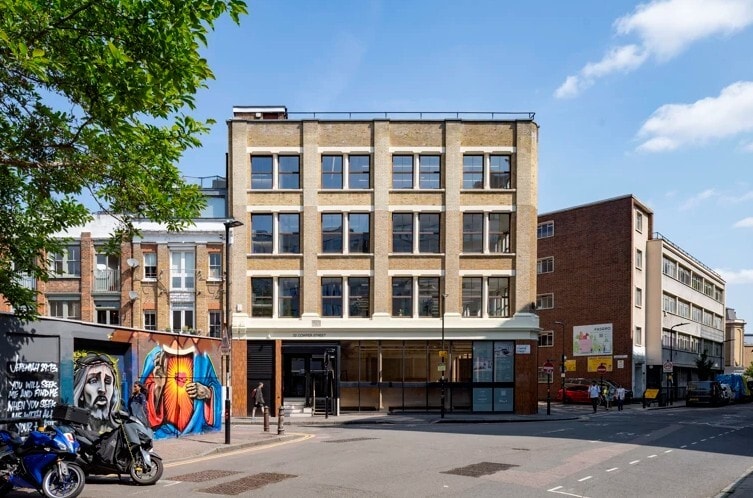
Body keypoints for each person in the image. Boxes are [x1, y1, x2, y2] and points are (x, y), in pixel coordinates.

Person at [73, 352, 120, 433]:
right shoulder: (73, 430)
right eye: (93, 381)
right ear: (80, 391)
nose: (102, 389)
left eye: (107, 382)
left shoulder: (119, 431)